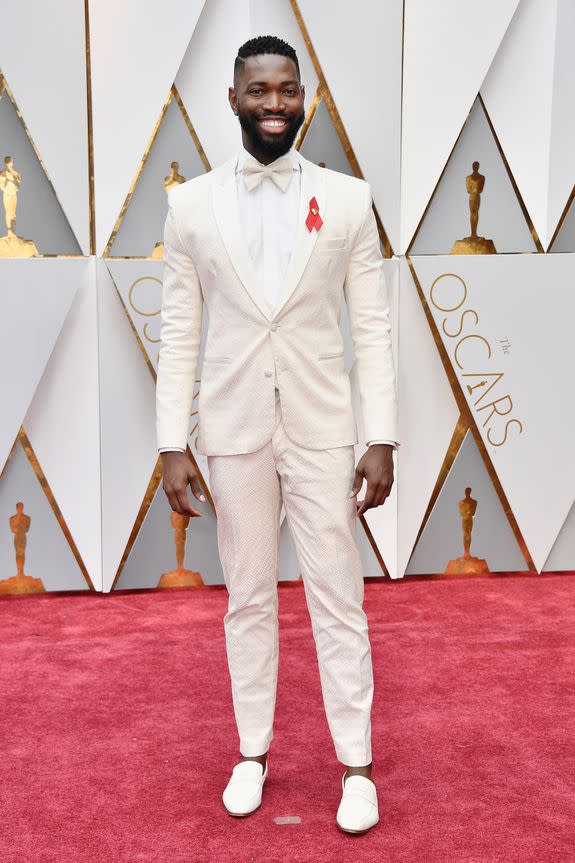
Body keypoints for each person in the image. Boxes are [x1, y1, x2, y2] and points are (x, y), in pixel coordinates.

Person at [155, 35, 399, 835]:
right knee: (246, 598)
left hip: (326, 428)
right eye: (257, 90)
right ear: (232, 99)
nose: (272, 103)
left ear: (304, 99)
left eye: (285, 91)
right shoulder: (189, 205)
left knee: (339, 598)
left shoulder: (351, 199)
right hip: (231, 430)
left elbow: (371, 325)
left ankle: (356, 765)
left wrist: (381, 436)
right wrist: (170, 442)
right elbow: (179, 331)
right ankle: (252, 752)